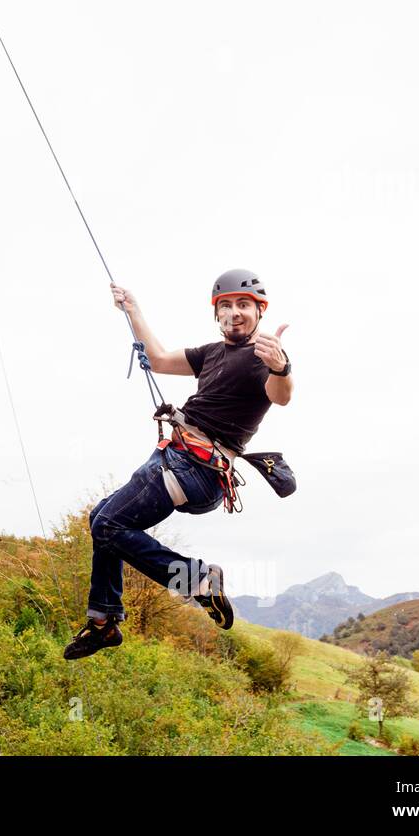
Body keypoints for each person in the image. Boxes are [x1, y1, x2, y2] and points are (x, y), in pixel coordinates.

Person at [63, 268, 293, 660]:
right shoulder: (212, 353)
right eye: (226, 306)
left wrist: (281, 366)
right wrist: (133, 310)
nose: (234, 313)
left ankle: (197, 580)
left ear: (260, 312)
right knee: (101, 518)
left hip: (195, 467)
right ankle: (103, 621)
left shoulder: (262, 360)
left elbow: (281, 395)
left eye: (244, 306)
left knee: (109, 524)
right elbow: (158, 359)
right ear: (216, 313)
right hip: (179, 459)